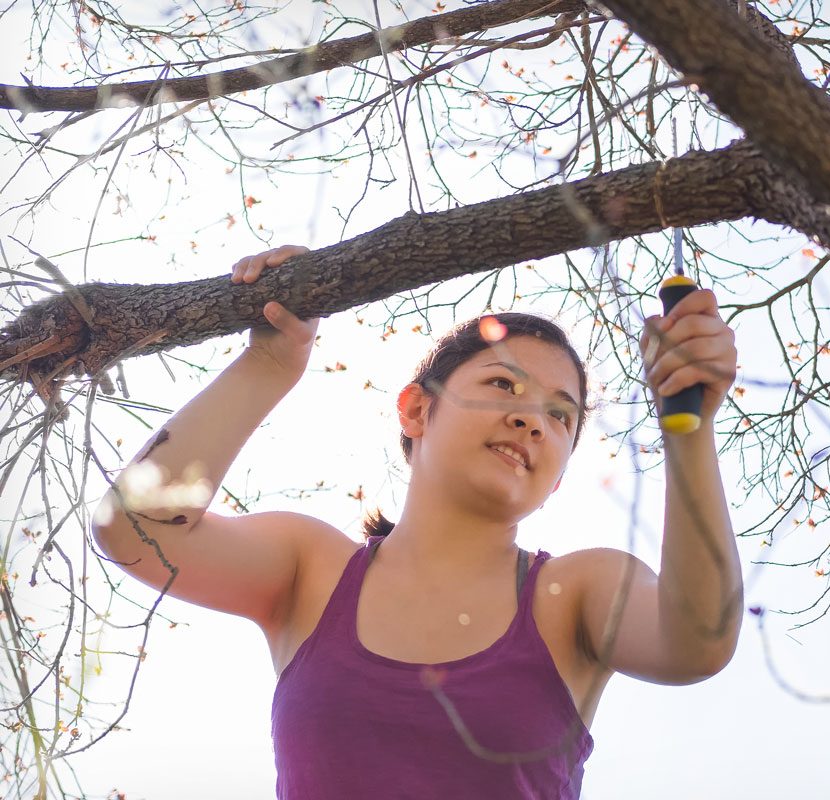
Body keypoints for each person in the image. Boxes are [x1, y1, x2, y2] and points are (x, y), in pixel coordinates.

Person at [91, 244, 743, 799]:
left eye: (561, 414)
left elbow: (698, 641)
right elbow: (135, 529)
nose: (531, 419)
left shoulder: (575, 593)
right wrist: (269, 362)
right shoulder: (308, 567)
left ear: (562, 468)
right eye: (502, 385)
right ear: (415, 411)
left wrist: (690, 431)